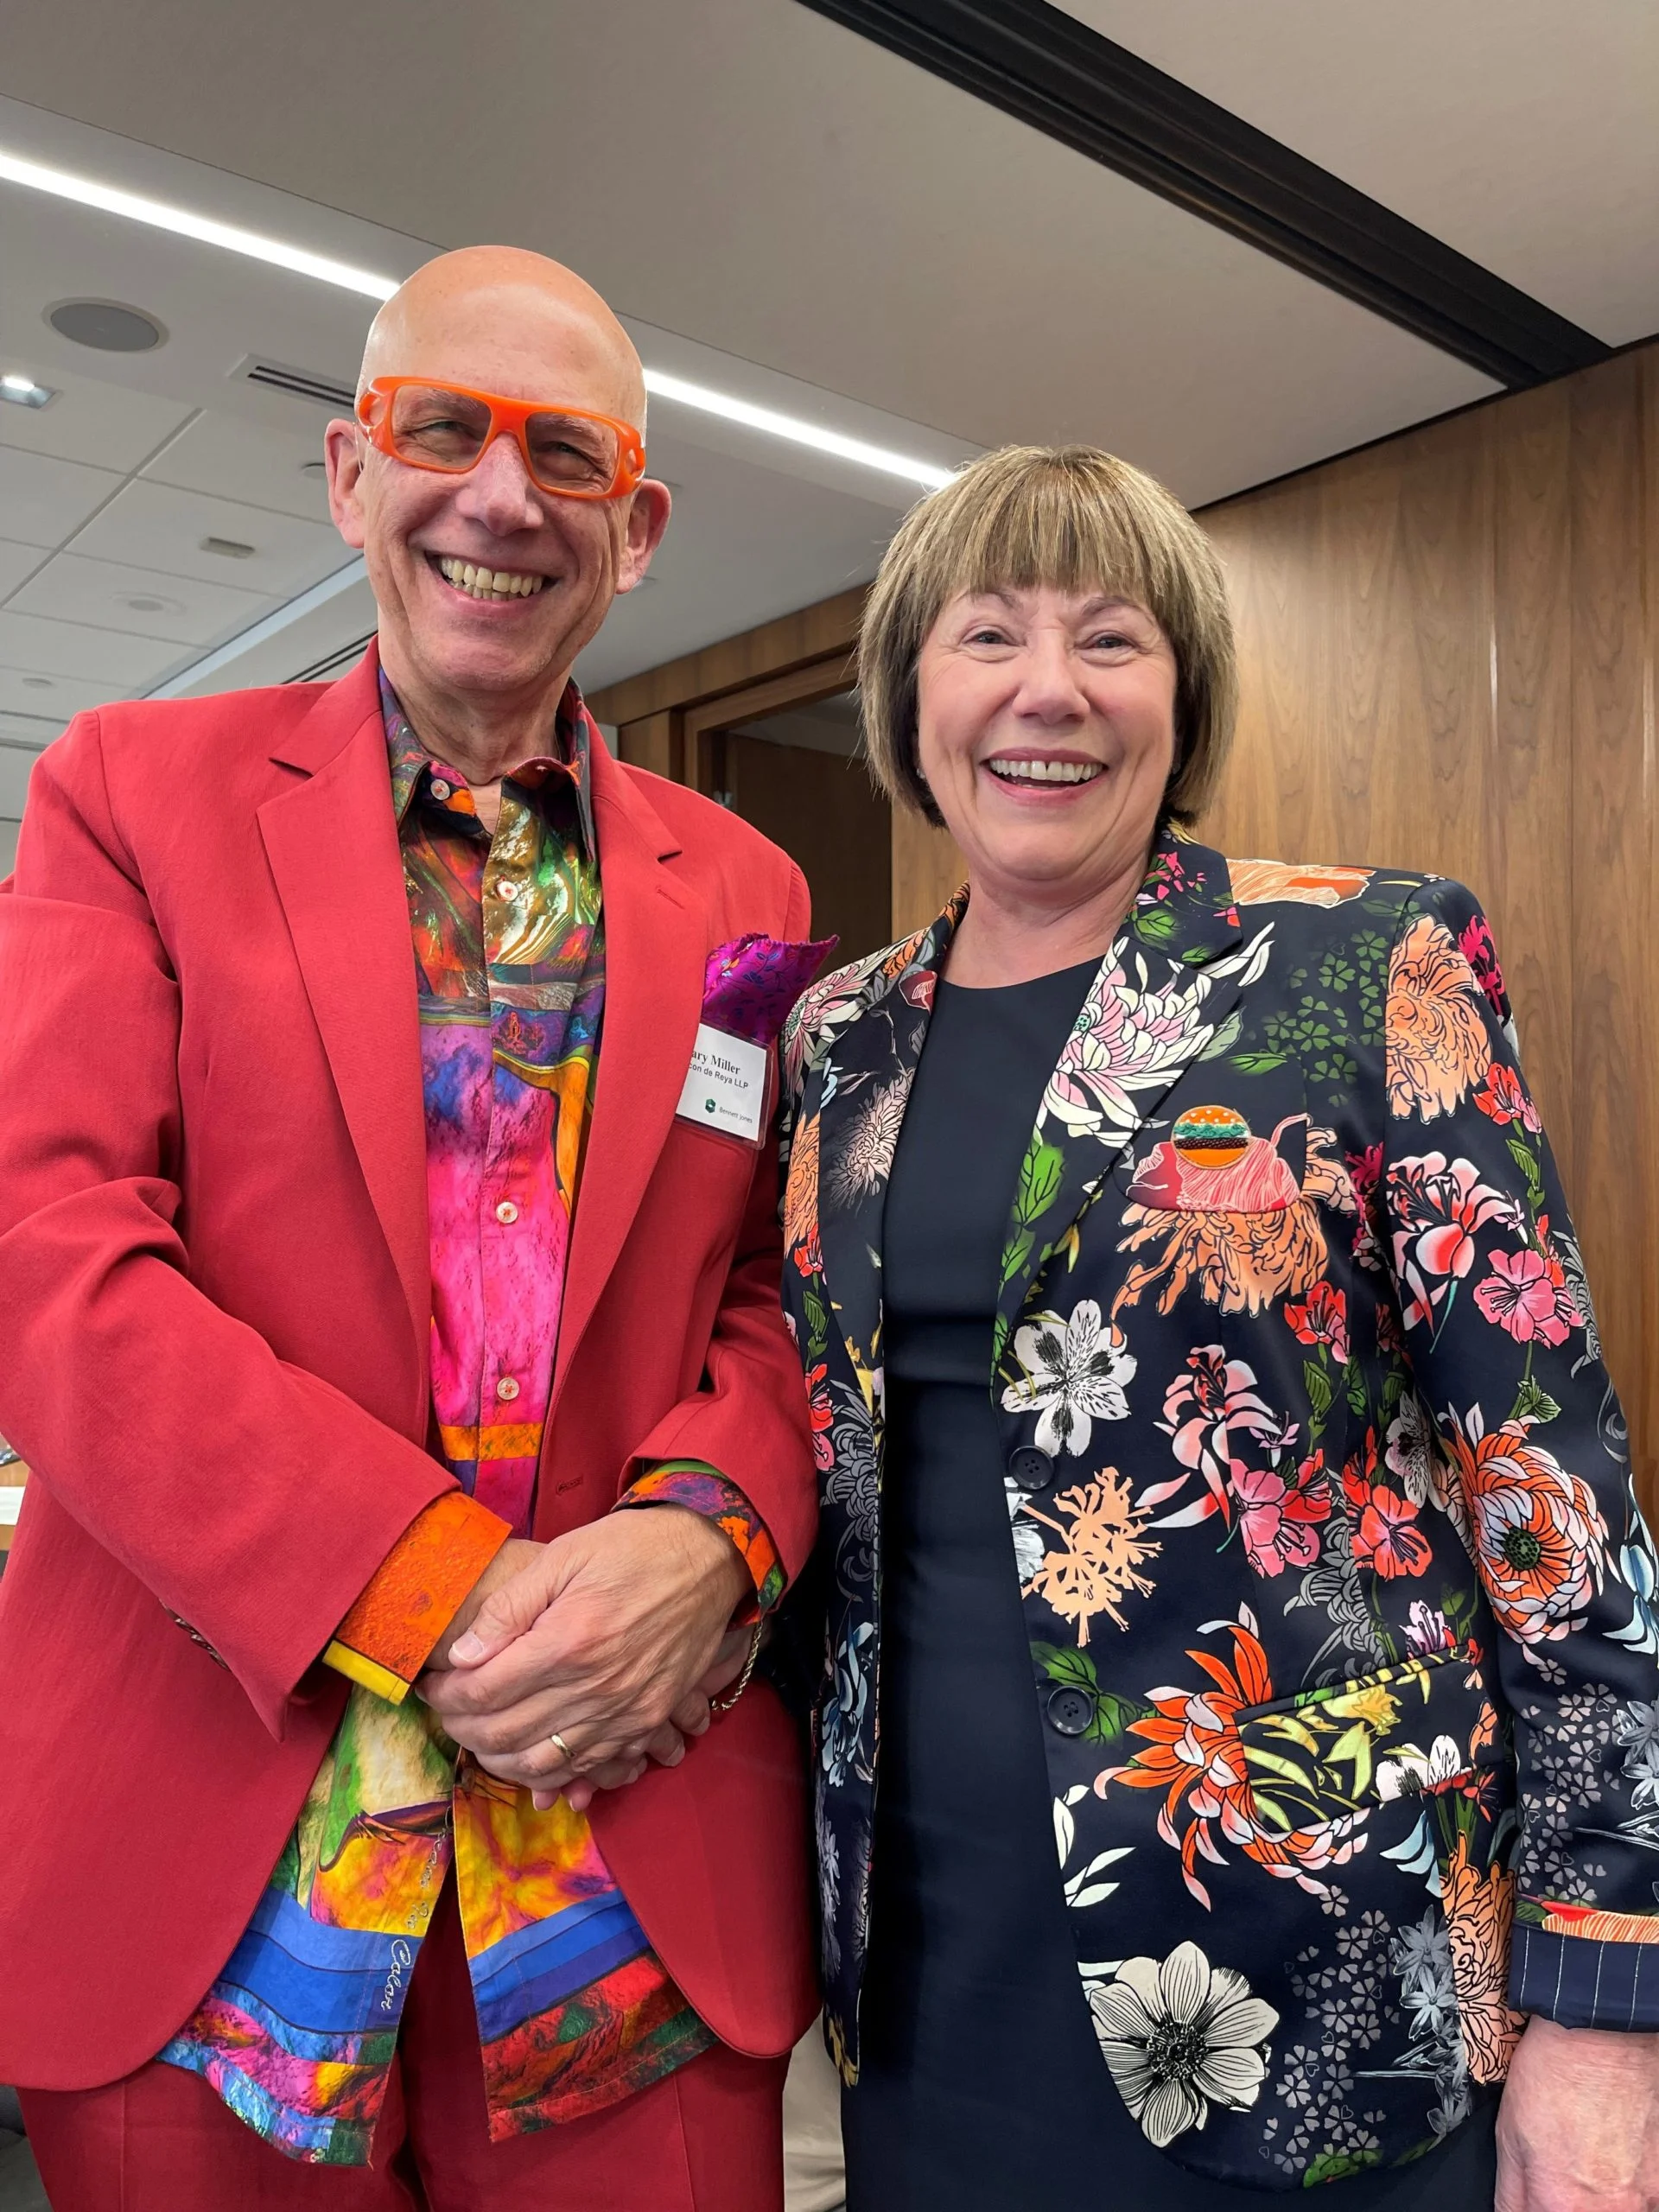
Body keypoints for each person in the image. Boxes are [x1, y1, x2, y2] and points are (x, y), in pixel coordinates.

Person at [0, 245, 829, 2210]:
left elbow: (783, 1295)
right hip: (221, 1848)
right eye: (441, 430)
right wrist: (432, 1587)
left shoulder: (750, 881)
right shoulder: (129, 791)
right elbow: (50, 1249)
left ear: (636, 531)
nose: (500, 495)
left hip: (629, 1832)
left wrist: (707, 1543)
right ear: (347, 472)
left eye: (567, 454)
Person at [778, 443, 1659, 2209]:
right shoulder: (837, 1041)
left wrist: (1607, 2009)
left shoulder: (1369, 959)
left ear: (1183, 698)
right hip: (930, 1959)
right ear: (910, 695)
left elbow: (1557, 1501)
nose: (1046, 690)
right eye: (986, 637)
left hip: (1323, 1956)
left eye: (1110, 638)